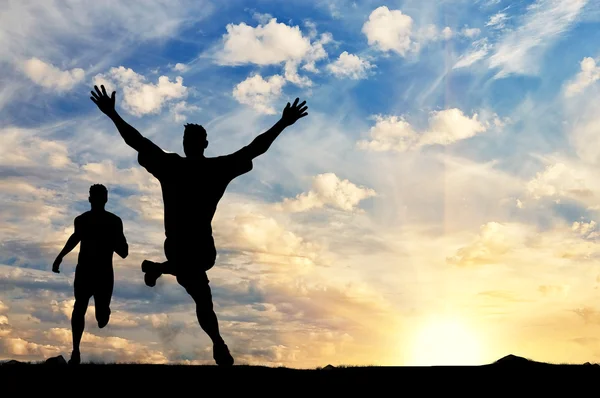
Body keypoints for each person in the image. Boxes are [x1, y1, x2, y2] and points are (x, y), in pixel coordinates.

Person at [90, 84, 307, 366]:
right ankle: (217, 341)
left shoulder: (174, 166)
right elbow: (254, 148)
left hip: (185, 249)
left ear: (190, 144)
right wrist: (283, 123)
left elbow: (138, 141)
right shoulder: (213, 169)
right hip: (195, 249)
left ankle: (159, 269)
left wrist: (113, 115)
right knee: (203, 301)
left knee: (200, 295)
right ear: (203, 144)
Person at [52, 184, 129, 365]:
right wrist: (60, 256)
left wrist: (110, 239)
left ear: (92, 199)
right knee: (79, 307)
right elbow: (75, 238)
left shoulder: (113, 221)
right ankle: (76, 351)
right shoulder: (83, 220)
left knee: (101, 318)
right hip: (85, 271)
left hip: (103, 273)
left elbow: (124, 251)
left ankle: (104, 312)